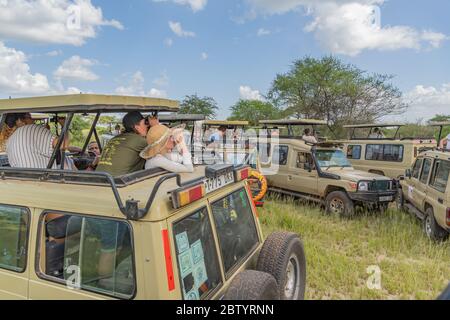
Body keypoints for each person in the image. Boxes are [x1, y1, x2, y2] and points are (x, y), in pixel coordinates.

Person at [96, 111, 149, 177]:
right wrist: (156, 126)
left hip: (97, 179)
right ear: (136, 127)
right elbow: (161, 147)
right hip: (117, 183)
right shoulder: (139, 140)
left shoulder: (114, 138)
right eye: (144, 123)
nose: (147, 126)